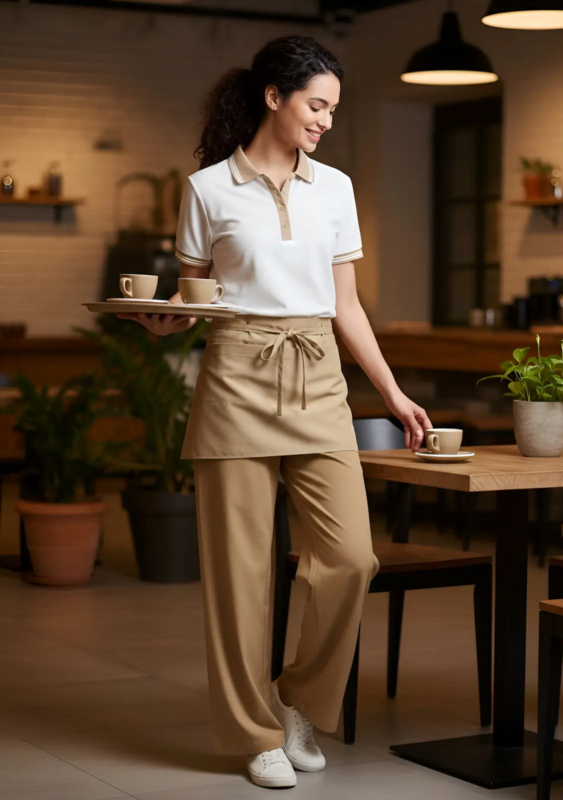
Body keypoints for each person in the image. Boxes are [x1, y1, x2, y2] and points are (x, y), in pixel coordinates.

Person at [118, 34, 432, 790]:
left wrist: (391, 393)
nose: (326, 120)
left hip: (318, 375)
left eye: (333, 109)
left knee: (351, 557)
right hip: (236, 376)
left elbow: (346, 305)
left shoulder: (336, 188)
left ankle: (298, 699)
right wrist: (164, 325)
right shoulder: (207, 190)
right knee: (240, 575)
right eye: (316, 105)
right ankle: (252, 733)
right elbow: (193, 297)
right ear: (274, 97)